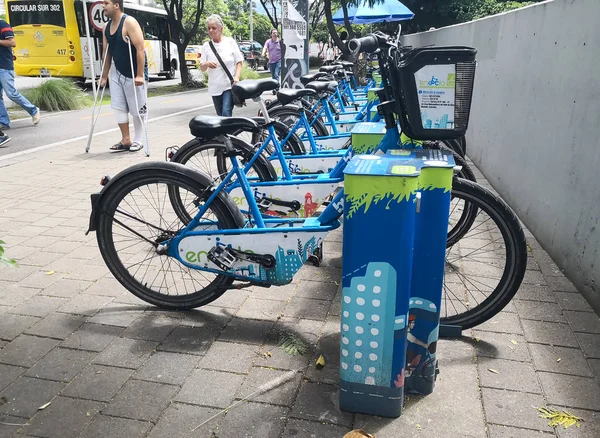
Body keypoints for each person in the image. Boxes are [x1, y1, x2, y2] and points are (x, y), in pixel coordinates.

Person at [99, 0, 148, 152]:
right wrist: (104, 76)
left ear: (116, 5)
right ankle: (126, 139)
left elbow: (140, 48)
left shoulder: (129, 22)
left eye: (106, 3)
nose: (103, 6)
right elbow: (107, 53)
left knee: (137, 108)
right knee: (119, 106)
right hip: (117, 71)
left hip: (133, 72)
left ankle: (139, 139)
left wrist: (140, 75)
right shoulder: (106, 27)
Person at [0, 18, 40, 134]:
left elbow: (13, 42)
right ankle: (3, 122)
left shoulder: (2, 24)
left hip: (4, 66)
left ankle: (33, 110)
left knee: (11, 93)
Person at [201, 15, 243, 117]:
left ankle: (226, 132)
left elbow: (239, 61)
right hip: (215, 87)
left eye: (214, 28)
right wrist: (206, 64)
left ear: (221, 28)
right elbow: (202, 68)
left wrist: (236, 77)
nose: (211, 31)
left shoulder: (230, 42)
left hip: (228, 85)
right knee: (220, 115)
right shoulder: (206, 46)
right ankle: (225, 133)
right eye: (209, 28)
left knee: (226, 112)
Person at [262, 29, 281, 94]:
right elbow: (265, 47)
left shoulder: (280, 42)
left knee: (276, 75)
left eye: (276, 33)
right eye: (273, 33)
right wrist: (263, 52)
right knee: (273, 76)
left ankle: (276, 89)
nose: (275, 34)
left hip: (279, 61)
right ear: (271, 34)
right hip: (271, 61)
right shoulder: (268, 41)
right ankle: (275, 87)